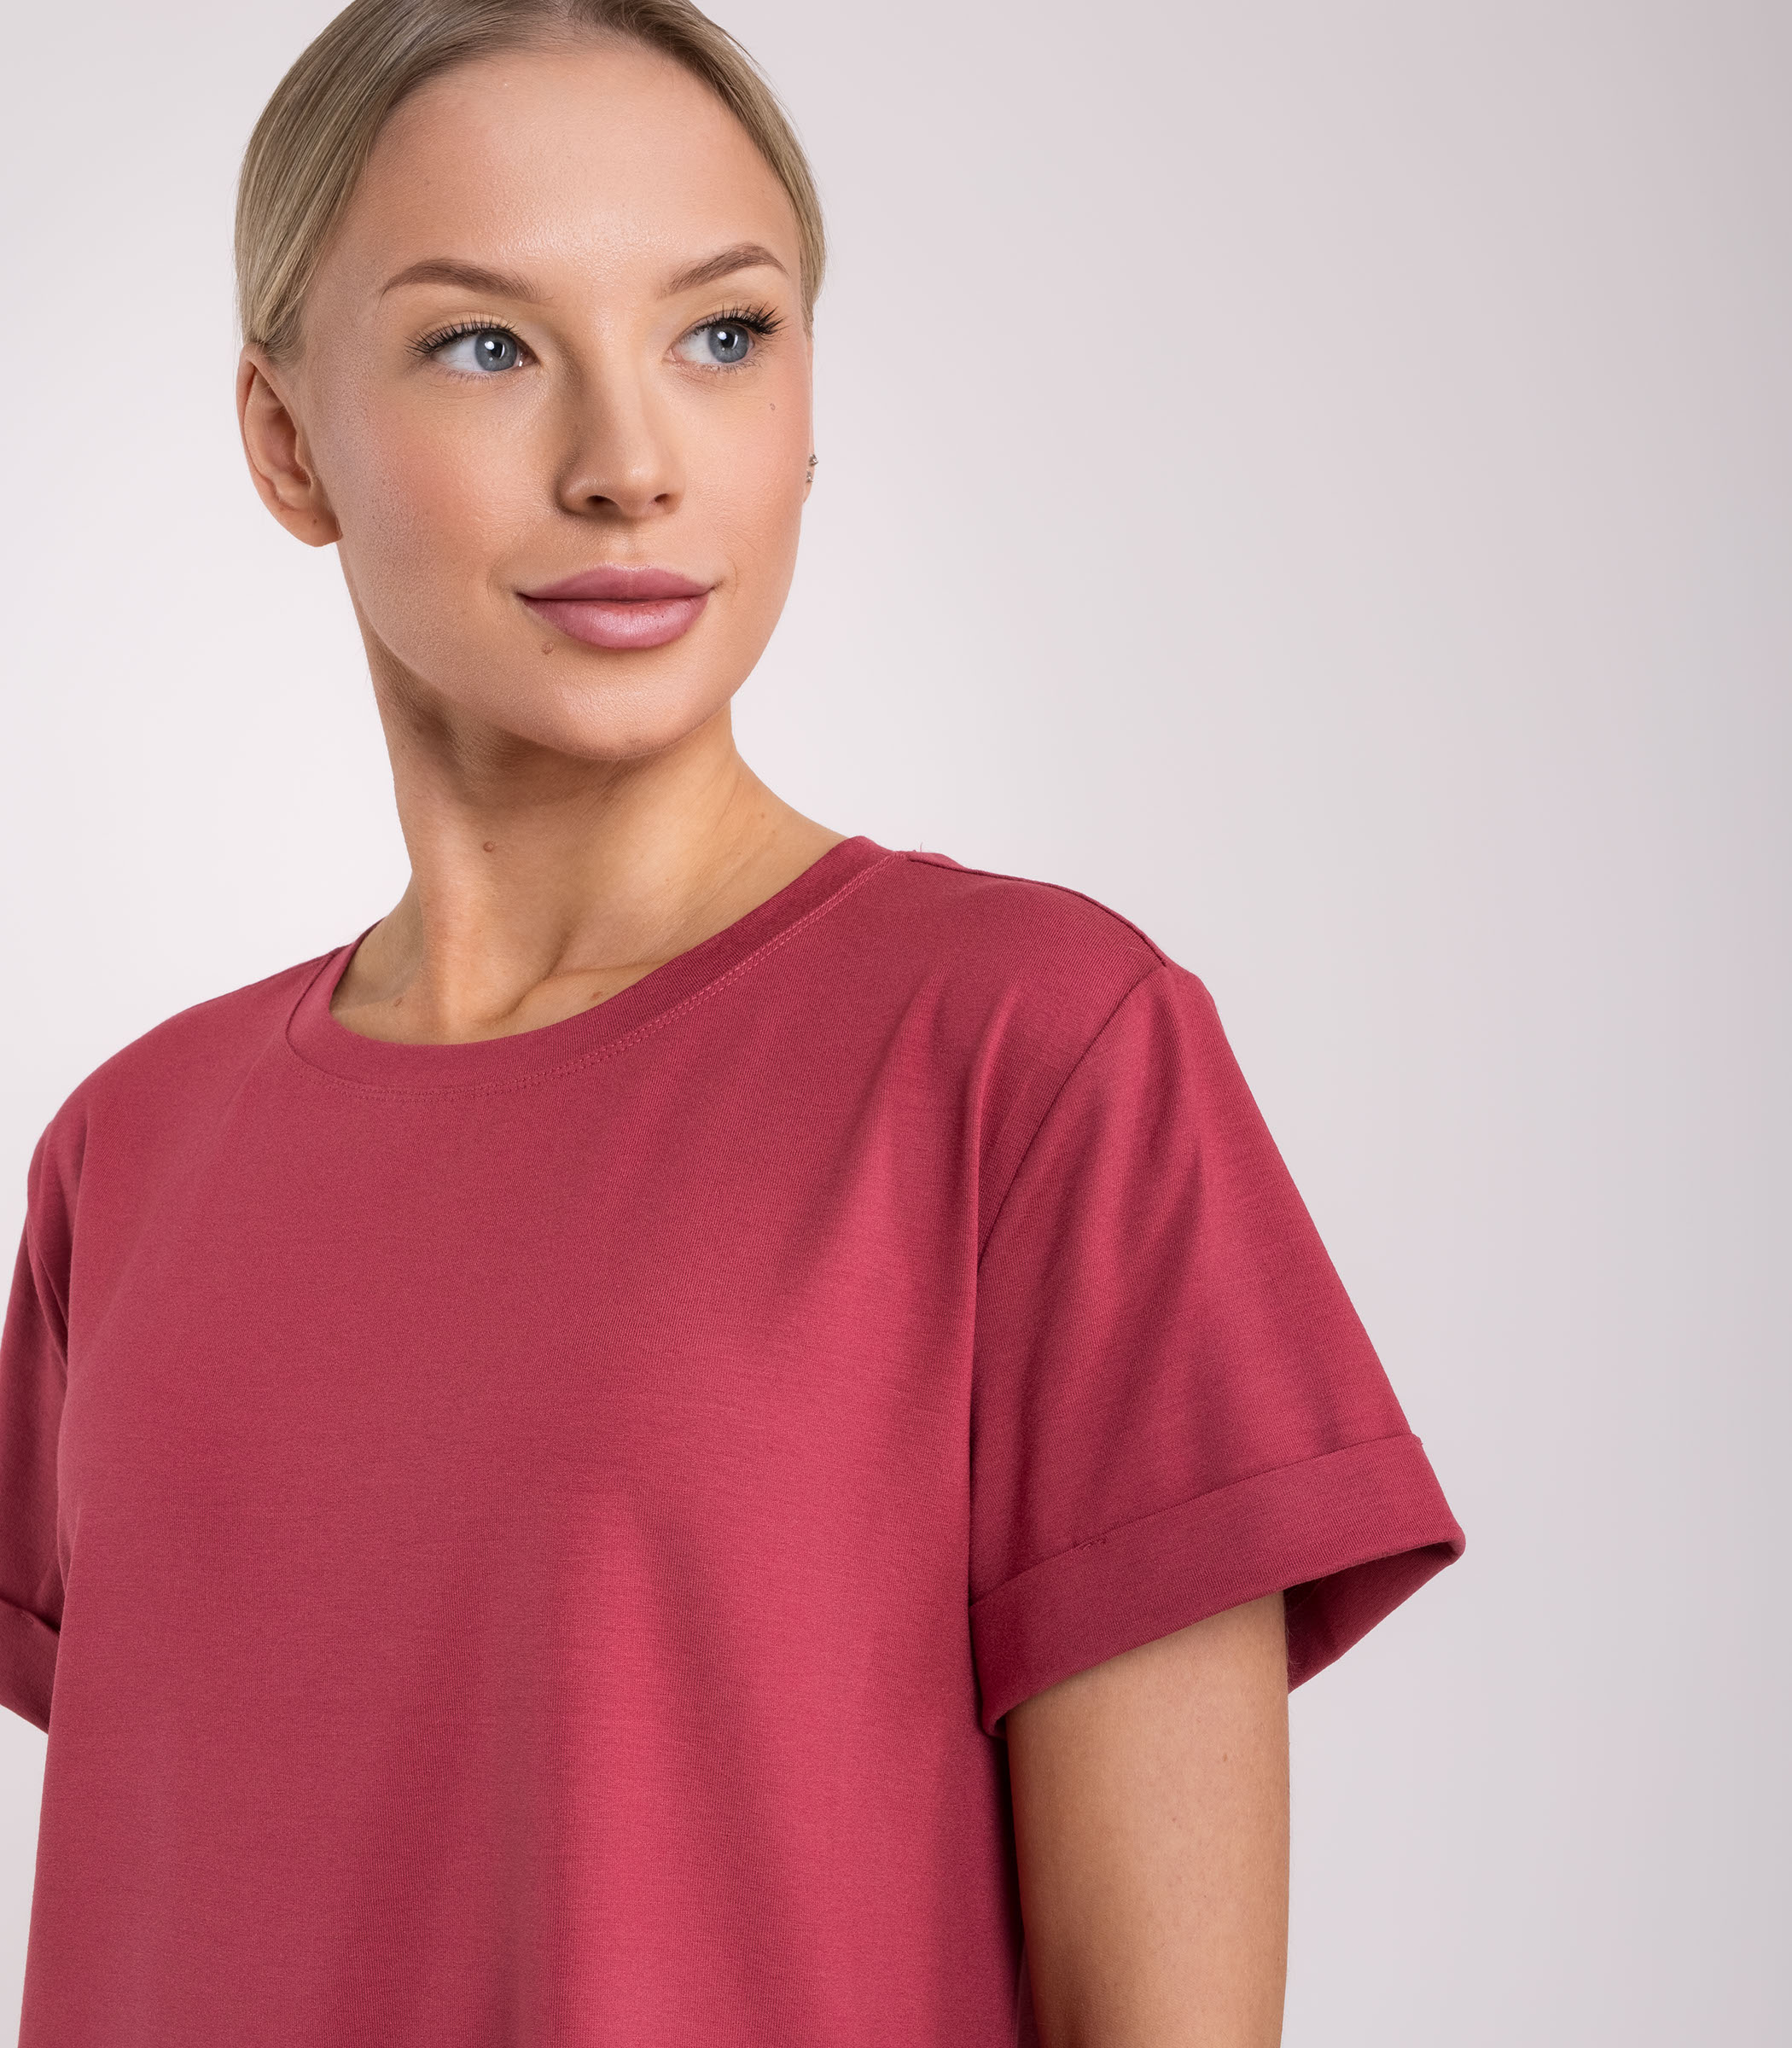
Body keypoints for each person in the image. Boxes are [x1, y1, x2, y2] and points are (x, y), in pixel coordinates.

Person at [0, 3, 1463, 2042]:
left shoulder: (1036, 1058)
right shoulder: (130, 1152)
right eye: (485, 346)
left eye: (721, 332)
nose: (629, 466)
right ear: (284, 441)